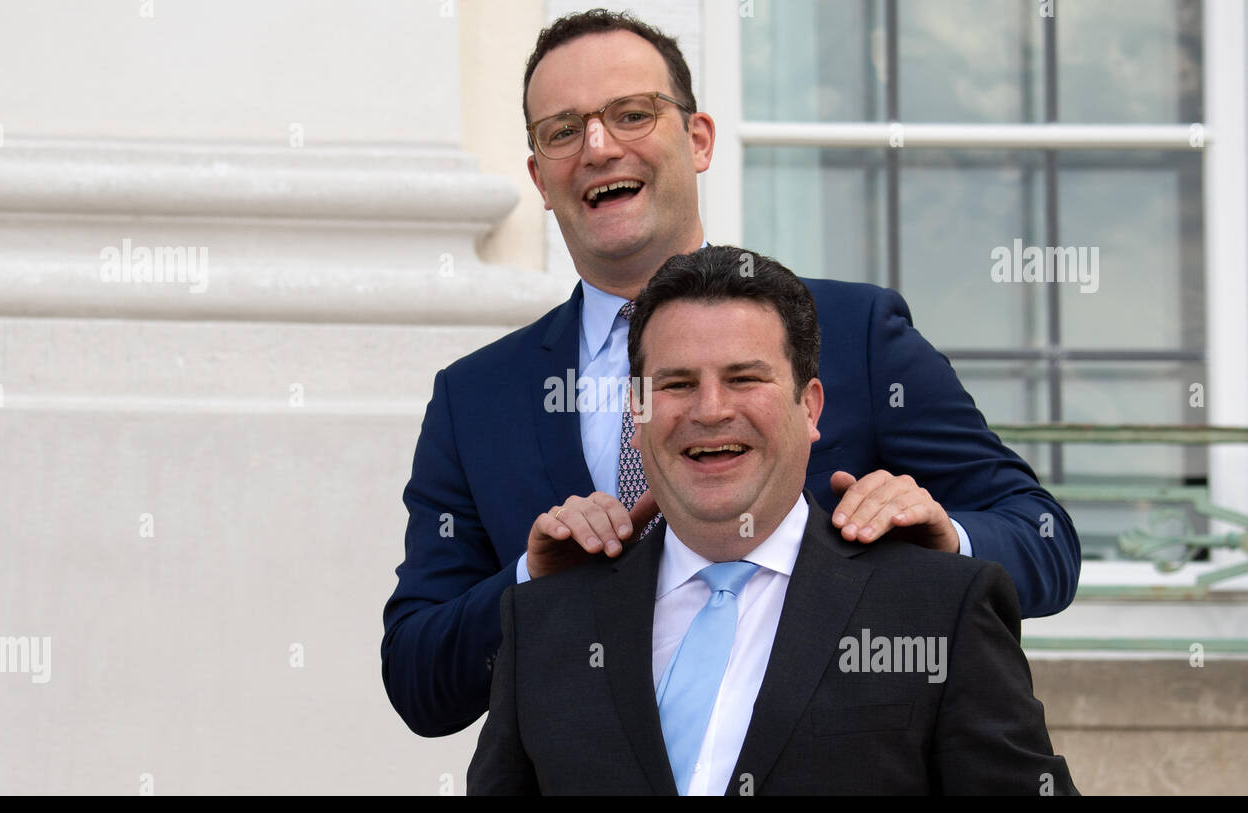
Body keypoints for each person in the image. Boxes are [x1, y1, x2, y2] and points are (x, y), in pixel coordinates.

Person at [383, 9, 1080, 738]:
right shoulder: (475, 400)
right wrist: (530, 579)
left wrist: (946, 542)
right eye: (563, 130)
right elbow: (418, 679)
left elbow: (1044, 540)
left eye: (631, 114)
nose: (597, 146)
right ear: (540, 178)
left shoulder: (856, 335)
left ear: (699, 139)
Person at [467, 246, 1077, 795]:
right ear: (639, 410)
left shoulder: (938, 607)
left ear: (809, 406)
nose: (710, 410)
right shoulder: (547, 621)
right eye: (677, 383)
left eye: (745, 379)